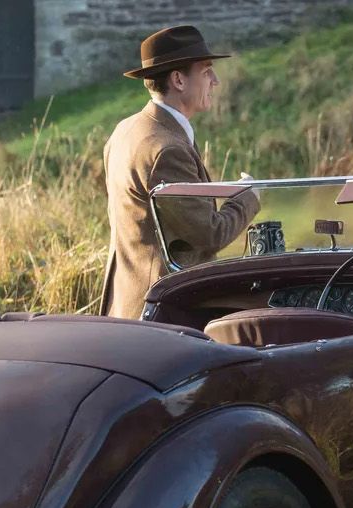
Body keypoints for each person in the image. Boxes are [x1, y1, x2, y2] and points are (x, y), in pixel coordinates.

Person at [100, 25, 261, 319]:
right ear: (178, 80)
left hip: (129, 305)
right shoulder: (166, 149)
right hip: (162, 314)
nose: (216, 80)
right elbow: (210, 234)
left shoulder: (126, 130)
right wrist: (247, 196)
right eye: (206, 71)